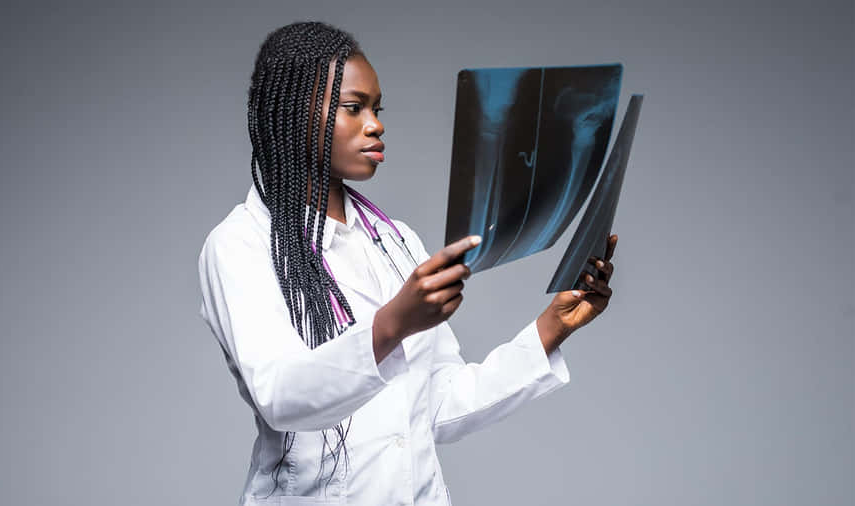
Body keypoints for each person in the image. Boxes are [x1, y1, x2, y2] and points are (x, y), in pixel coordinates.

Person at [197, 21, 618, 506]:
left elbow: (437, 406)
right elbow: (280, 397)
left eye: (377, 109)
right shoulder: (238, 244)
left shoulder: (397, 241)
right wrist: (392, 324)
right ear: (293, 116)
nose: (375, 124)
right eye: (353, 108)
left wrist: (551, 329)